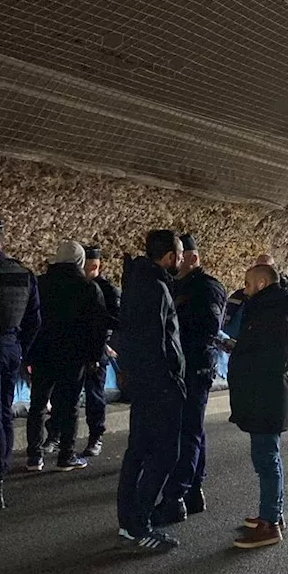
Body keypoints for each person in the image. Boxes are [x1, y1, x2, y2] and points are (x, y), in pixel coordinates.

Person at [115, 229, 185, 553]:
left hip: (142, 384)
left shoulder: (135, 281)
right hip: (159, 387)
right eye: (180, 254)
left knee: (137, 454)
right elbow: (157, 342)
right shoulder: (156, 288)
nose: (182, 260)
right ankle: (139, 525)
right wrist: (172, 380)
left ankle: (128, 522)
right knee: (165, 455)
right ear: (169, 256)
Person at [153, 234, 226, 525]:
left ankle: (175, 497)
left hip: (196, 366)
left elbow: (209, 327)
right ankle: (194, 490)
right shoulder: (176, 285)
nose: (177, 261)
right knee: (192, 429)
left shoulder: (207, 287)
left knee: (188, 431)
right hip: (182, 367)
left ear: (193, 258)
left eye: (182, 256)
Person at [228, 263, 288, 549]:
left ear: (260, 284)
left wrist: (243, 356)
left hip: (267, 397)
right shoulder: (268, 312)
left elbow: (275, 360)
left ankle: (270, 524)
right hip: (262, 395)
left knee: (267, 459)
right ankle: (271, 514)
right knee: (265, 458)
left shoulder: (276, 316)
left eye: (247, 283)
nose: (244, 289)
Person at [24, 240, 109, 473]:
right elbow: (98, 327)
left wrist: (28, 354)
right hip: (74, 357)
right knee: (69, 406)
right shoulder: (89, 288)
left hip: (43, 354)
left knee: (38, 404)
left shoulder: (40, 283)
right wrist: (94, 357)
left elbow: (29, 319)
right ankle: (66, 455)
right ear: (80, 261)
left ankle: (34, 455)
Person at [0, 214, 41, 511]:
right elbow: (35, 320)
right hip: (11, 348)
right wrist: (21, 348)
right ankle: (0, 474)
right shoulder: (23, 273)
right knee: (4, 415)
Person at [81, 246, 120, 456]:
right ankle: (56, 435)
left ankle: (96, 436)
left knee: (95, 395)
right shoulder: (77, 286)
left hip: (97, 349)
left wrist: (103, 341)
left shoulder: (107, 291)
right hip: (77, 347)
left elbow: (116, 320)